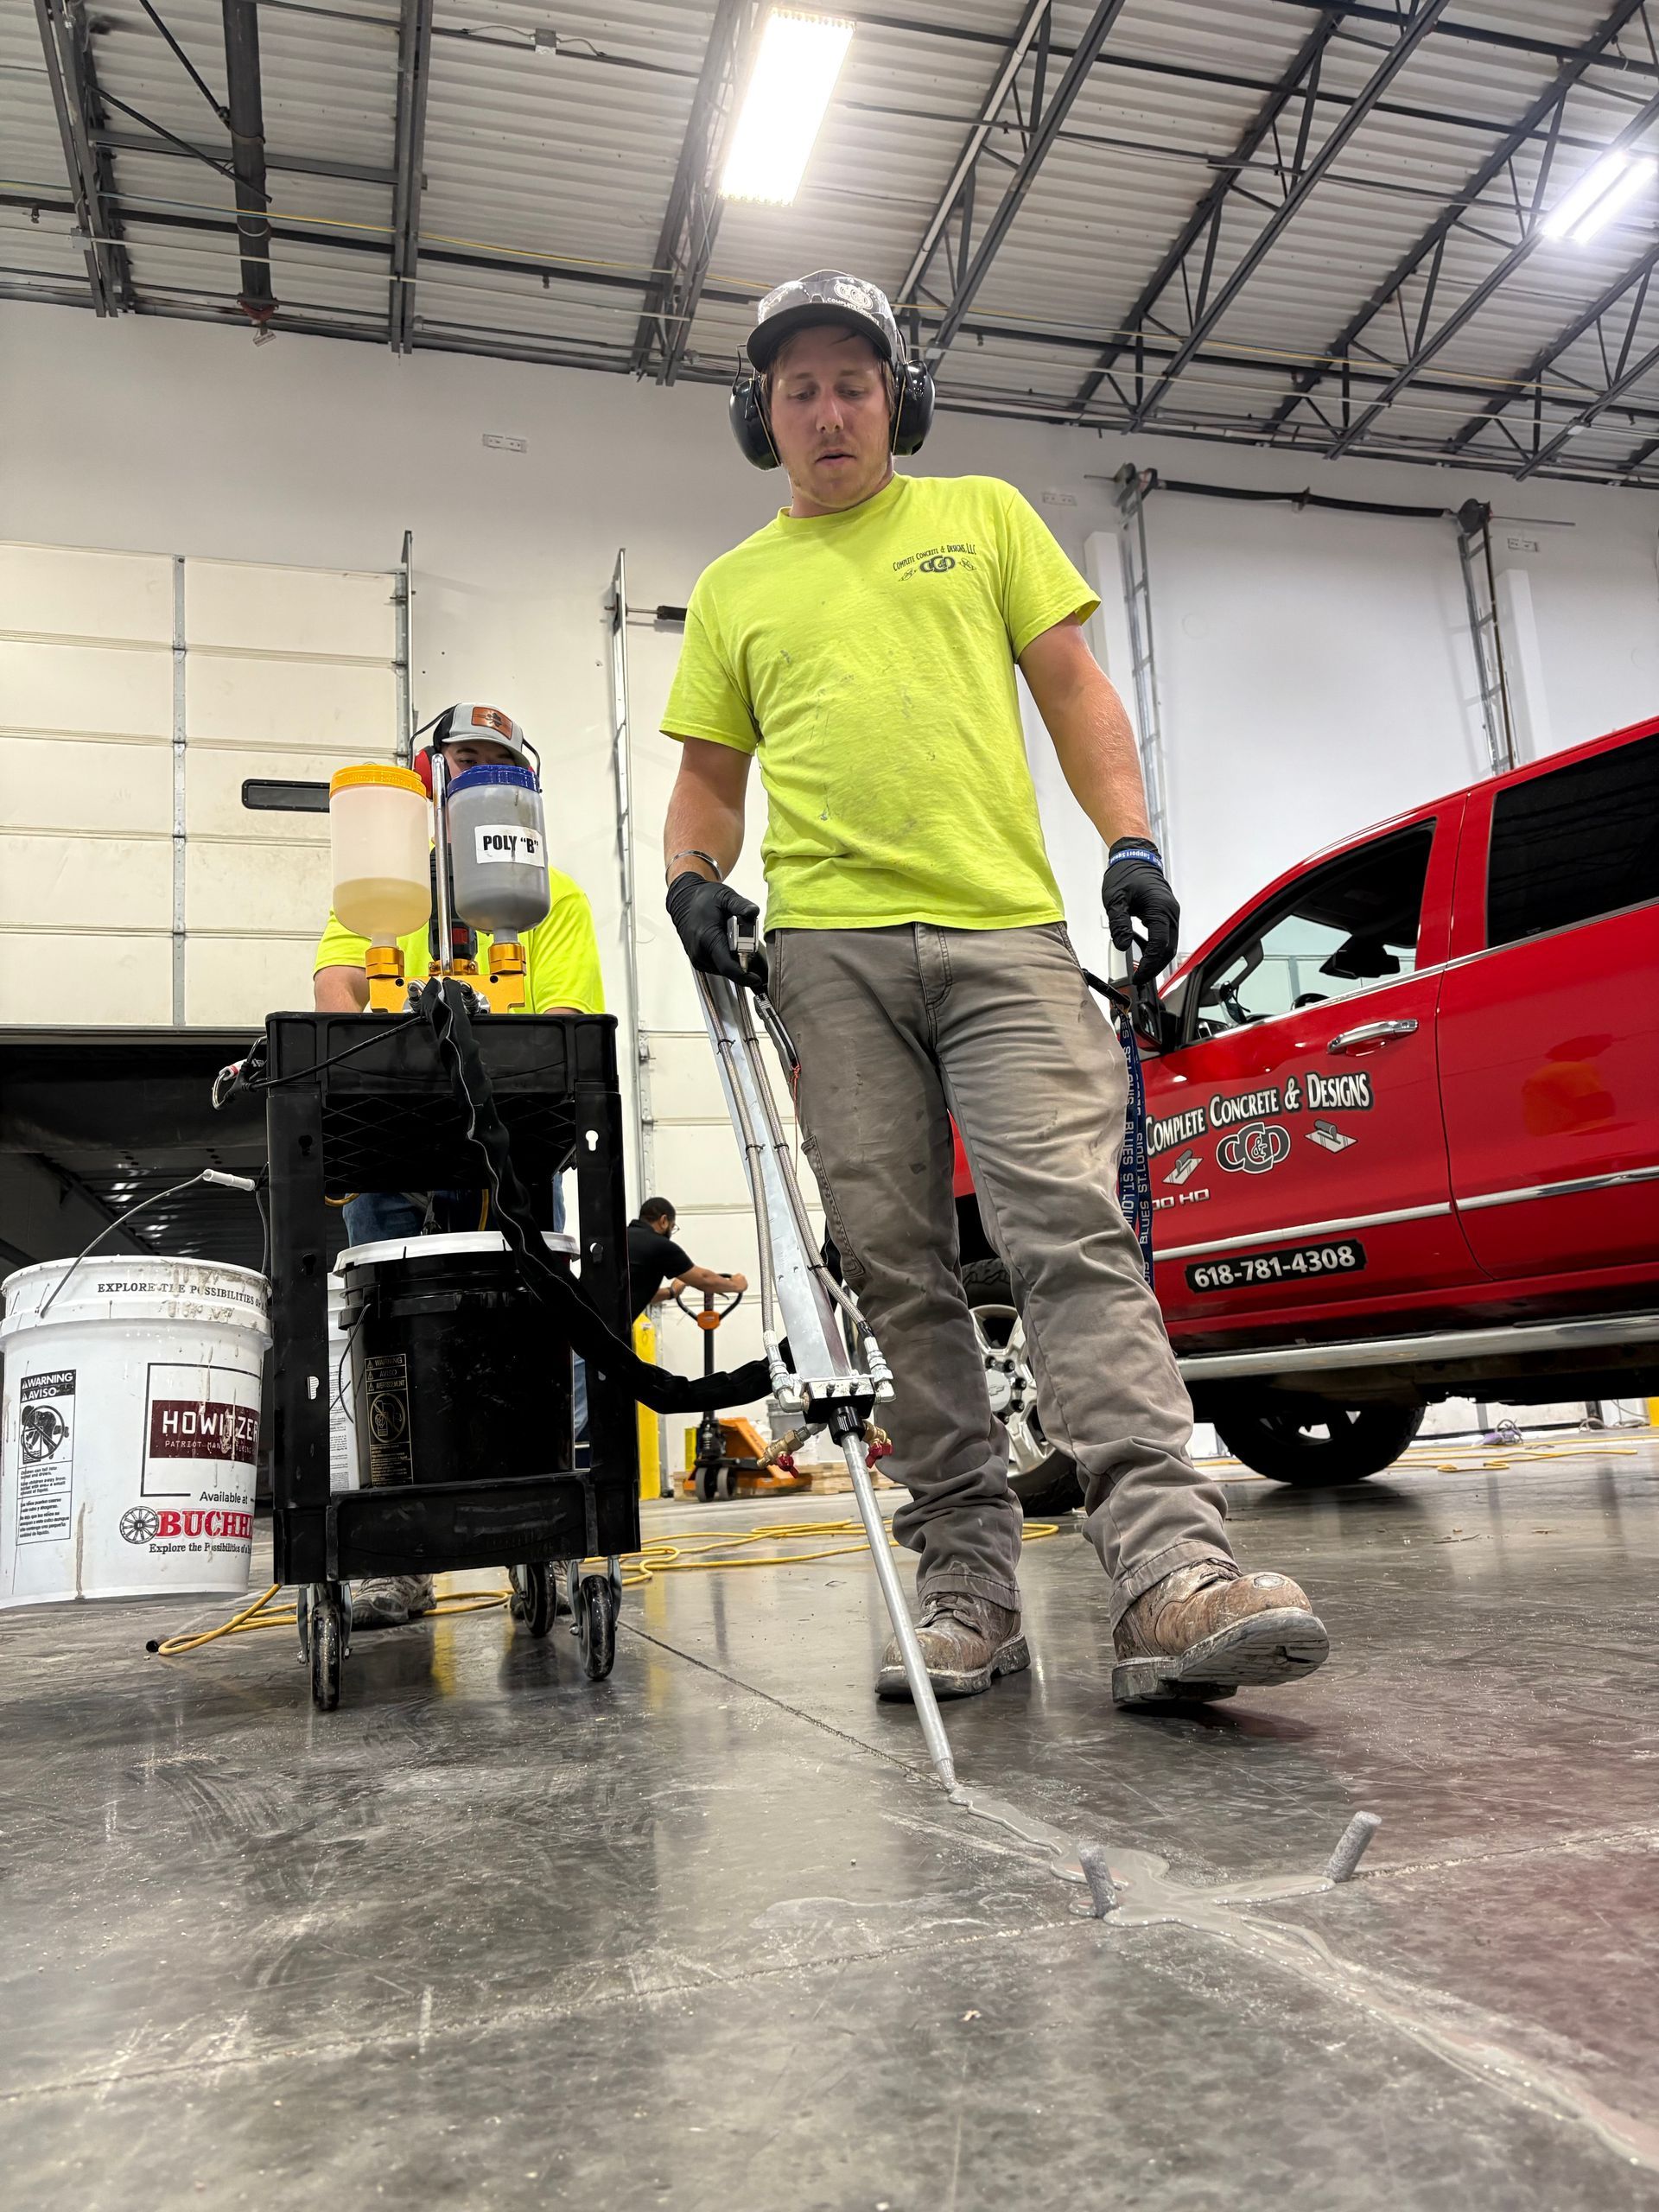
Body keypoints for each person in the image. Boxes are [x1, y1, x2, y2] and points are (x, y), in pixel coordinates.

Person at [658, 270, 1329, 1704]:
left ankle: (1169, 1573)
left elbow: (1076, 690)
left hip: (1007, 940)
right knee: (898, 1277)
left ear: (898, 396)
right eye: (799, 389)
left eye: (853, 380)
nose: (830, 411)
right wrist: (692, 877)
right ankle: (970, 1586)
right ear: (759, 417)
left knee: (1070, 1236)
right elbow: (707, 784)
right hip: (829, 961)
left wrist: (1132, 838)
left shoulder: (985, 520)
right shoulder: (734, 589)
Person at [314, 706, 605, 1629]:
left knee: (533, 1324)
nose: (475, 782)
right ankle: (400, 1559)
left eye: (495, 768)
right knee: (388, 1337)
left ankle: (545, 1538)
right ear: (425, 784)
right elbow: (335, 990)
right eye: (459, 765)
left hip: (511, 1145)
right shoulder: (378, 896)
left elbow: (563, 1025)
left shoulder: (553, 896)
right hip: (389, 1143)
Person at [627, 1197, 747, 1323]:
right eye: (672, 1227)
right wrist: (736, 1285)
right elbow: (704, 1279)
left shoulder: (621, 1237)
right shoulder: (659, 1245)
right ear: (664, 1221)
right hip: (614, 1330)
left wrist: (671, 1292)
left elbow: (638, 1294)